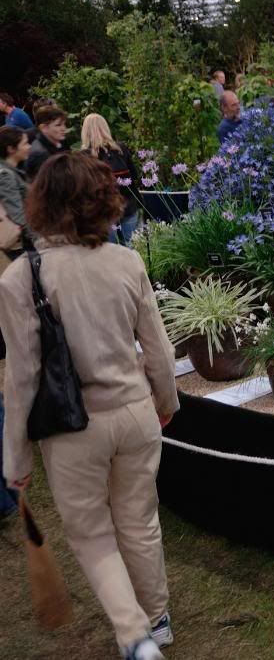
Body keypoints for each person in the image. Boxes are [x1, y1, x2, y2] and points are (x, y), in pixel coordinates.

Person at [0, 152, 179, 660]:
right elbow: (158, 350)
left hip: (72, 429)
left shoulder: (19, 280)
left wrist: (16, 460)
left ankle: (135, 635)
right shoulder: (126, 261)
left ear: (40, 204)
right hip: (136, 412)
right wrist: (166, 402)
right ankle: (156, 619)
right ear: (102, 201)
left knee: (93, 534)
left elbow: (21, 380)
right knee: (140, 522)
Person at [80, 113, 142, 245]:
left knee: (109, 248)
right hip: (128, 205)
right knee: (130, 245)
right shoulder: (120, 149)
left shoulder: (84, 156)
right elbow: (134, 175)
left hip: (103, 211)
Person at [0, 126, 32, 258]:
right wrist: (39, 239)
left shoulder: (10, 171)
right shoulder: (5, 176)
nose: (29, 147)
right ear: (11, 149)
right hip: (22, 244)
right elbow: (17, 215)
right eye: (25, 143)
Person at [25, 105, 68, 180]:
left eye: (64, 124)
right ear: (43, 128)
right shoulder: (40, 154)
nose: (64, 128)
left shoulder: (58, 143)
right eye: (58, 125)